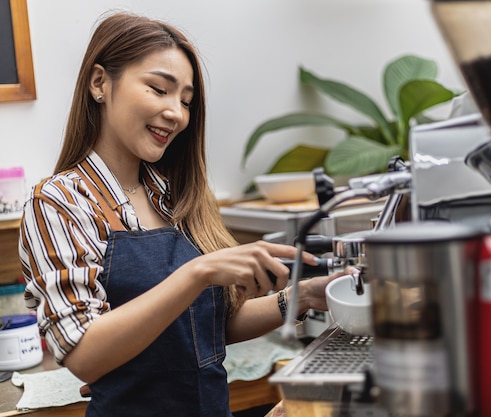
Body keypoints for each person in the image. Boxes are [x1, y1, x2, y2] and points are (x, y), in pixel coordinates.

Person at [18, 12, 343, 417]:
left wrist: (303, 296)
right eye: (159, 89)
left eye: (186, 101)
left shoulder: (175, 196)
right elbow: (84, 353)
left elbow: (201, 329)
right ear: (100, 82)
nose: (177, 113)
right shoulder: (59, 201)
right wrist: (198, 272)